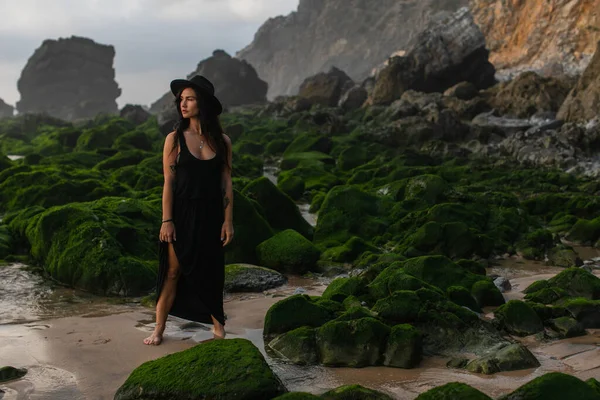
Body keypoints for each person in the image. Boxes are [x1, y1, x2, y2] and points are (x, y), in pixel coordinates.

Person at [144, 75, 234, 345]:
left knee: (213, 270)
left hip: (211, 215)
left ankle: (219, 328)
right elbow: (168, 183)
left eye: (190, 99)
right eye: (180, 100)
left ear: (202, 103)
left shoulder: (223, 142)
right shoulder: (174, 139)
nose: (183, 104)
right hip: (182, 215)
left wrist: (228, 221)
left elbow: (227, 184)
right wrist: (167, 220)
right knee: (173, 272)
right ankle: (158, 329)